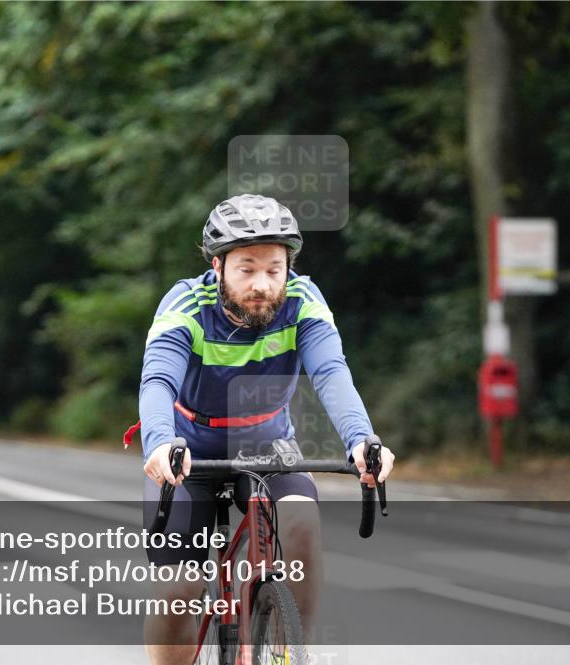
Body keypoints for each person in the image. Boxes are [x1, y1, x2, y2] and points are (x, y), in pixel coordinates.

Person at [130, 194, 395, 665]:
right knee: (180, 588)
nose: (262, 284)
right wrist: (159, 442)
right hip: (188, 451)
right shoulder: (186, 305)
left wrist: (361, 439)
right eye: (247, 268)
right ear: (218, 266)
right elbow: (158, 380)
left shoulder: (302, 301)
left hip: (269, 445)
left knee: (299, 523)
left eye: (275, 269)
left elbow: (331, 373)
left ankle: (291, 651)